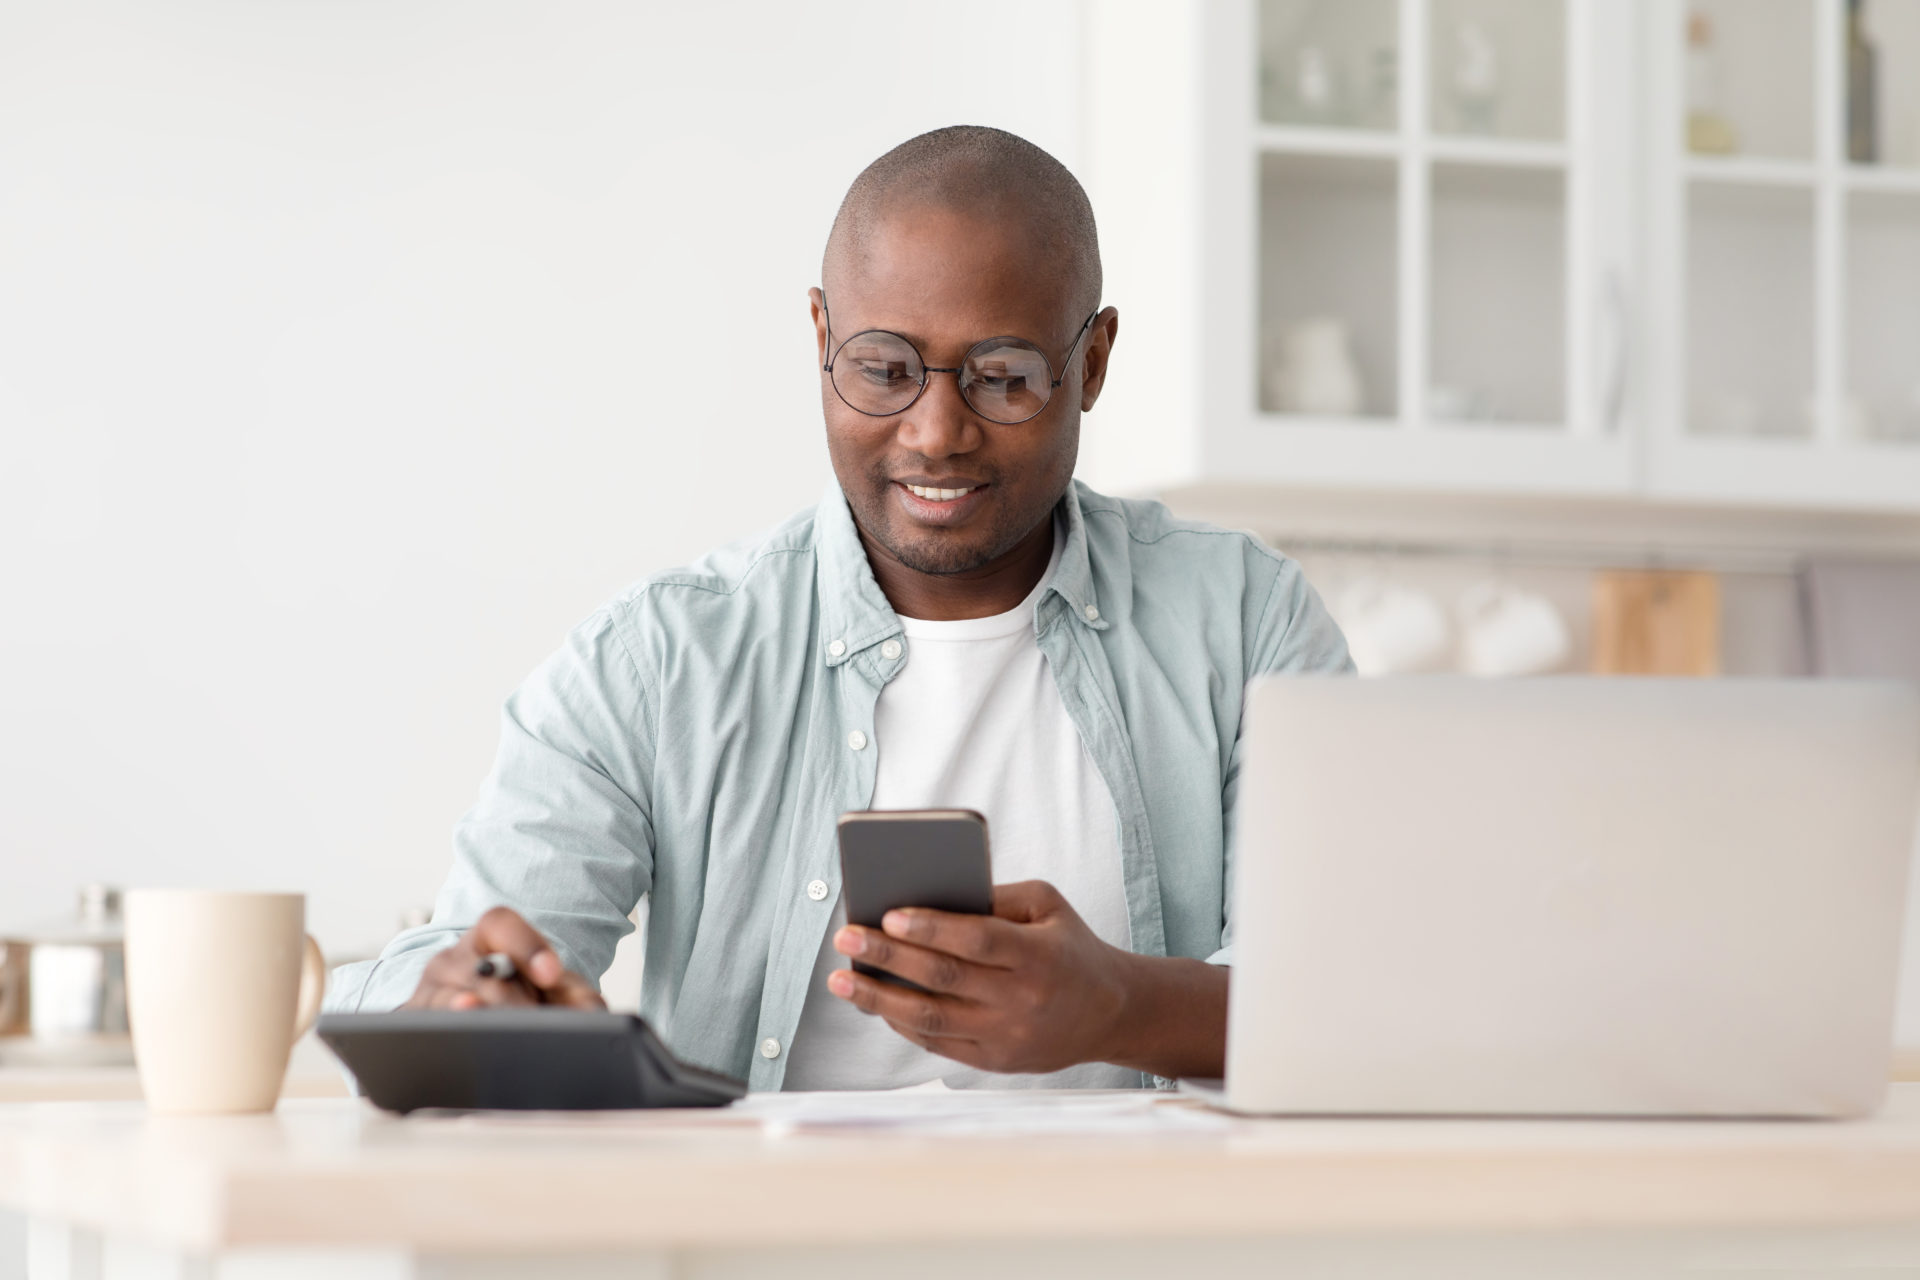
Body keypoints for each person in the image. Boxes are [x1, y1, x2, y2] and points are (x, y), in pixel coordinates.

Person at [324, 125, 1352, 1091]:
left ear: (1091, 363)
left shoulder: (1247, 623)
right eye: (885, 369)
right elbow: (449, 962)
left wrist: (1119, 1005)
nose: (937, 431)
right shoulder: (664, 661)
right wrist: (460, 998)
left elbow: (1360, 1004)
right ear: (822, 335)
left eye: (1003, 376)